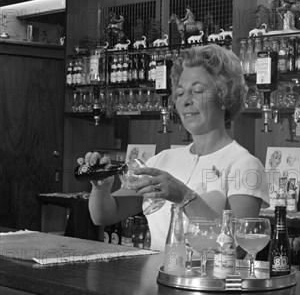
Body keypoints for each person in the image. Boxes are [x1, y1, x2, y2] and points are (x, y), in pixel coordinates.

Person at [84, 45, 270, 251]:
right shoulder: (162, 160)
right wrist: (100, 187)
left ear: (224, 96)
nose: (186, 101)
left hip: (207, 282)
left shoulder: (245, 165)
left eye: (197, 91)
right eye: (180, 93)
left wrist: (185, 197)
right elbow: (104, 215)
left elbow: (238, 249)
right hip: (155, 279)